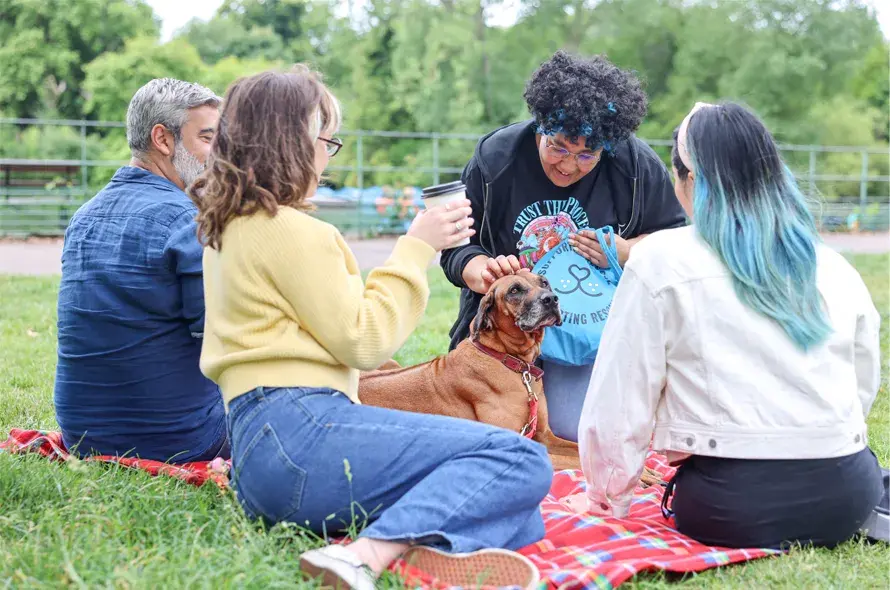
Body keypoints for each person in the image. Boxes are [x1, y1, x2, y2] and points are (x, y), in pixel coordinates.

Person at [189, 67, 552, 590]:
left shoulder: (230, 227)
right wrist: (418, 246)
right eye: (325, 139)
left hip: (256, 451)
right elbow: (365, 341)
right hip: (301, 428)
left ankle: (416, 545)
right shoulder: (293, 230)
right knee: (518, 461)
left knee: (521, 509)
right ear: (292, 143)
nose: (326, 155)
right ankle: (367, 554)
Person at [566, 101, 883, 550]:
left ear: (688, 180)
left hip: (731, 506)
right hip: (846, 497)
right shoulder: (830, 263)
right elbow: (863, 381)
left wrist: (605, 499)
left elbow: (620, 401)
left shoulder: (661, 259)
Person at [440, 51, 687, 442]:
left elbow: (676, 243)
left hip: (591, 337)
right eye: (558, 147)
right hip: (509, 336)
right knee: (499, 435)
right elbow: (455, 247)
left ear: (608, 146)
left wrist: (626, 251)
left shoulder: (635, 166)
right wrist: (481, 271)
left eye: (588, 154)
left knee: (577, 433)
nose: (569, 166)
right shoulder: (496, 159)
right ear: (540, 126)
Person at [53, 78, 228, 463]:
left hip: (82, 434)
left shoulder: (82, 218)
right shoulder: (187, 220)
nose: (220, 155)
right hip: (179, 440)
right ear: (163, 140)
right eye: (207, 138)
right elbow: (222, 342)